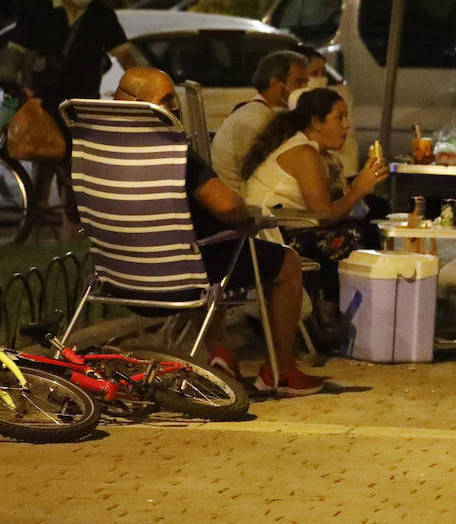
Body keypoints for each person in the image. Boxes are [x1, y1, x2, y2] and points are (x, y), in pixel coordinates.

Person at [113, 68, 323, 396]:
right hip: (177, 277)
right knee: (285, 263)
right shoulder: (171, 151)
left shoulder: (99, 152)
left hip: (118, 276)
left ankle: (221, 353)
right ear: (137, 104)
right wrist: (246, 216)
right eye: (167, 100)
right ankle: (280, 371)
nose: (177, 107)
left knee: (203, 252)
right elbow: (227, 206)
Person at [240, 87, 390, 338]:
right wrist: (360, 189)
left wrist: (358, 188)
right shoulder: (303, 153)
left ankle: (351, 315)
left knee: (370, 218)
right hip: (272, 240)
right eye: (339, 117)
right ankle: (333, 318)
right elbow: (325, 215)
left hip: (286, 230)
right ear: (316, 122)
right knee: (355, 234)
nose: (346, 126)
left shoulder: (319, 154)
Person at [10, 0, 137, 236]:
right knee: (41, 172)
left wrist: (142, 85)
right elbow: (15, 53)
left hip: (83, 107)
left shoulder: (102, 15)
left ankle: (72, 237)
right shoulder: (40, 10)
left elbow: (125, 55)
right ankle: (32, 230)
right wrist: (17, 87)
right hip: (43, 106)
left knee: (77, 176)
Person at [211, 50, 309, 193]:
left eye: (306, 82)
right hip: (242, 203)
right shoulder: (255, 118)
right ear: (275, 83)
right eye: (299, 82)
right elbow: (259, 177)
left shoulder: (263, 112)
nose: (305, 89)